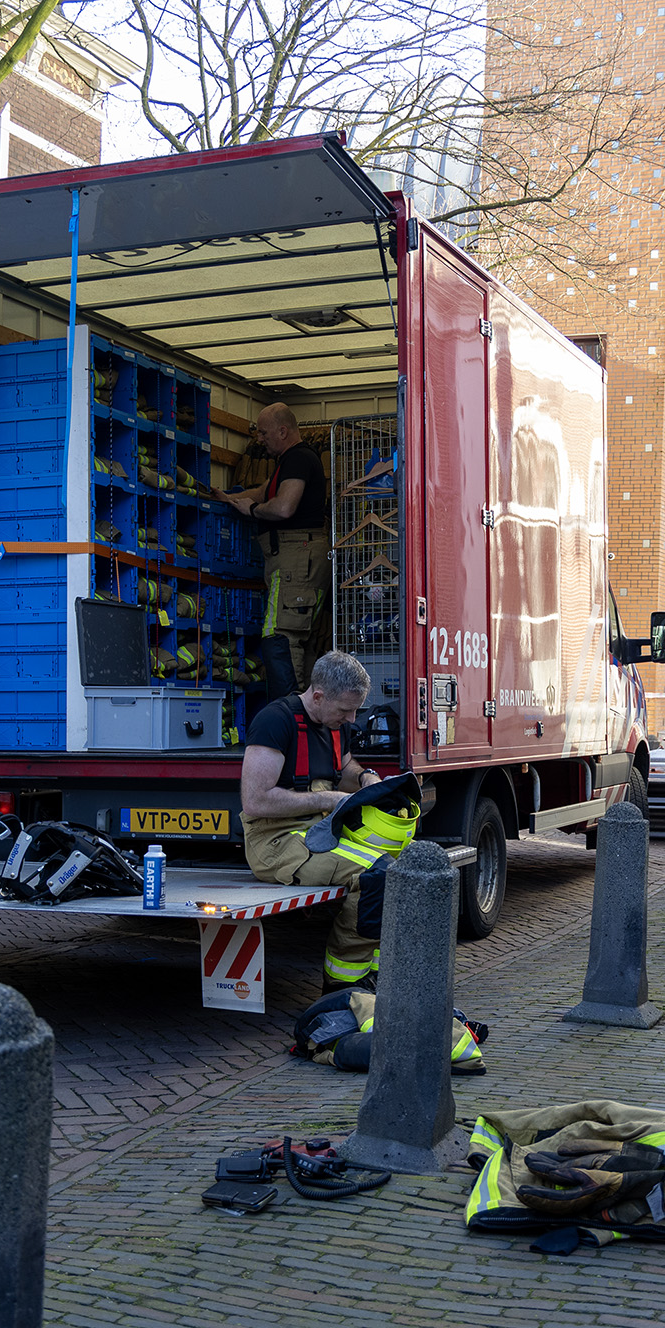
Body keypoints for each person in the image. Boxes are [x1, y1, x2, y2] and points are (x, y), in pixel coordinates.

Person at [241, 651, 414, 992]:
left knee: (402, 869)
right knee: (377, 876)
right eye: (345, 710)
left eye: (356, 709)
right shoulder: (275, 721)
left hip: (320, 830)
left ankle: (378, 976)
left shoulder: (333, 723)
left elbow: (345, 767)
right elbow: (255, 800)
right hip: (275, 841)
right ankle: (342, 986)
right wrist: (327, 799)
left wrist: (367, 779)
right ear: (318, 696)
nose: (351, 719)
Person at [222, 402, 328, 696]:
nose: (258, 438)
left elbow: (283, 507)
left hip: (297, 558)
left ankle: (291, 717)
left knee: (279, 637)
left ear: (283, 431)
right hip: (301, 558)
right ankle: (306, 717)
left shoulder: (298, 459)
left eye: (263, 432)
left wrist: (253, 510)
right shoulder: (290, 461)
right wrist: (228, 498)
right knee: (299, 639)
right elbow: (262, 491)